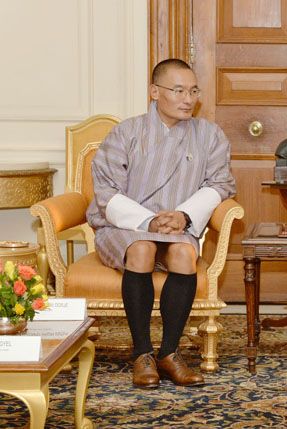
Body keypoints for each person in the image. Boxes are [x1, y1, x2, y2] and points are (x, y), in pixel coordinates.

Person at [87, 58, 236, 389]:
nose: (187, 99)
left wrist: (183, 215)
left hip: (177, 223)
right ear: (155, 91)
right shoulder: (126, 132)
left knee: (184, 255)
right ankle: (142, 354)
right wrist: (148, 219)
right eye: (178, 90)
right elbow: (106, 193)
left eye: (193, 91)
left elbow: (220, 184)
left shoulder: (209, 134)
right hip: (124, 225)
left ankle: (169, 353)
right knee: (141, 248)